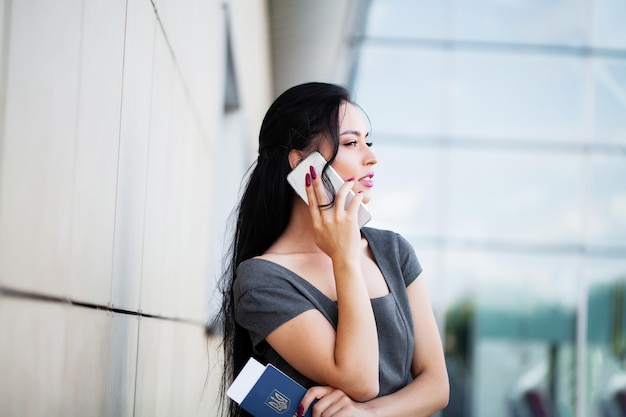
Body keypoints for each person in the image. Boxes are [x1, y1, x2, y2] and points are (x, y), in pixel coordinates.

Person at [216, 82, 449, 417]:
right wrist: (344, 257)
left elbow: (437, 385)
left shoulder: (393, 251)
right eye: (352, 143)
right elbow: (360, 380)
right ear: (303, 165)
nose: (372, 157)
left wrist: (367, 415)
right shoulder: (261, 279)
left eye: (368, 142)